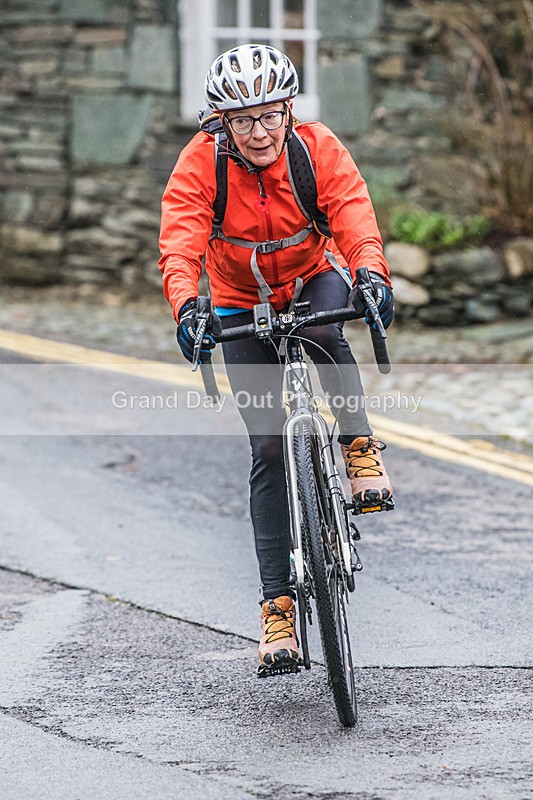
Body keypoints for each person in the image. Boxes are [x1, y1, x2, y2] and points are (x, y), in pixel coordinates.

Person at [158, 43, 394, 676]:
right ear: (222, 124)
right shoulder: (201, 163)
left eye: (269, 116)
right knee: (266, 447)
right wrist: (187, 307)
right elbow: (180, 242)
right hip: (237, 298)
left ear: (288, 111)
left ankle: (358, 448)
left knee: (326, 334)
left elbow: (352, 212)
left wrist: (371, 274)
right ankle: (278, 610)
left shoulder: (316, 149)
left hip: (311, 277)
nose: (259, 132)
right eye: (243, 120)